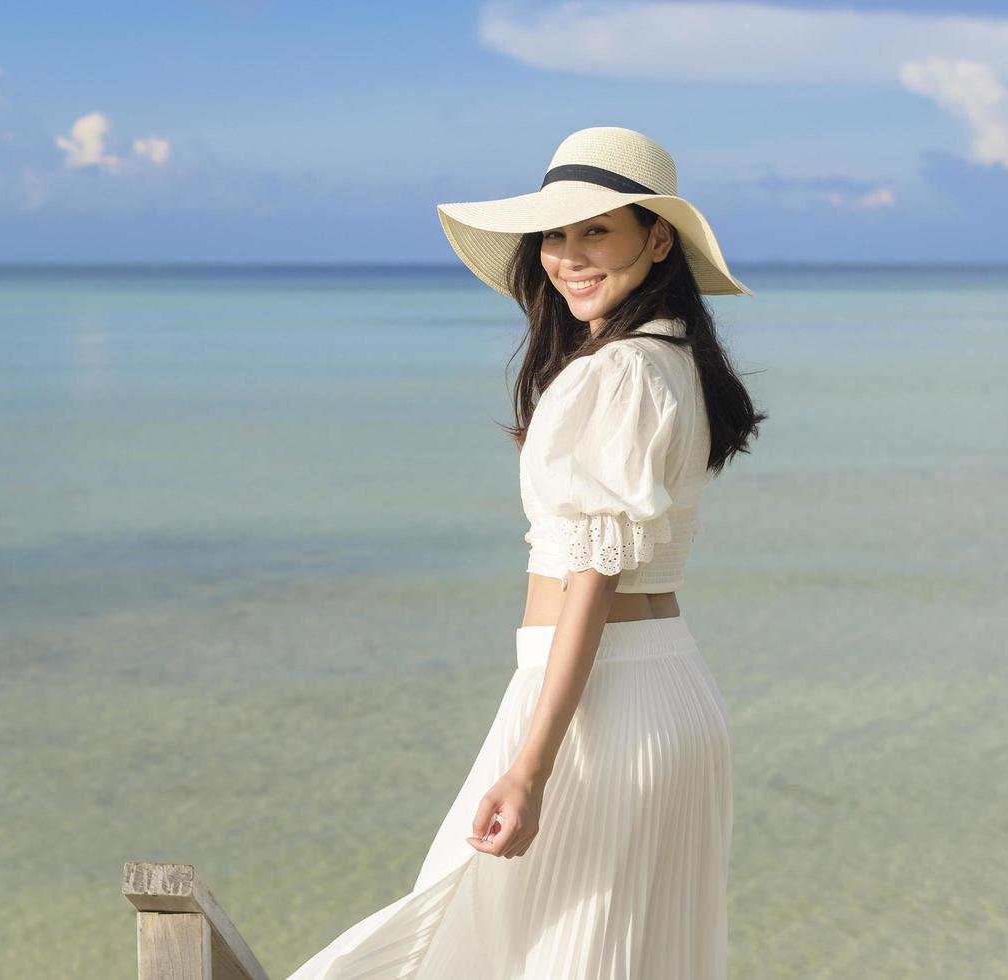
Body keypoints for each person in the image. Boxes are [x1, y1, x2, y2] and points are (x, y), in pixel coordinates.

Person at [286, 126, 766, 979]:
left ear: (657, 240)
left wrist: (530, 769)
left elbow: (592, 575)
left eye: (596, 231)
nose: (568, 256)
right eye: (555, 234)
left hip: (595, 702)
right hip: (665, 694)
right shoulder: (672, 362)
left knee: (457, 950)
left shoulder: (613, 371)